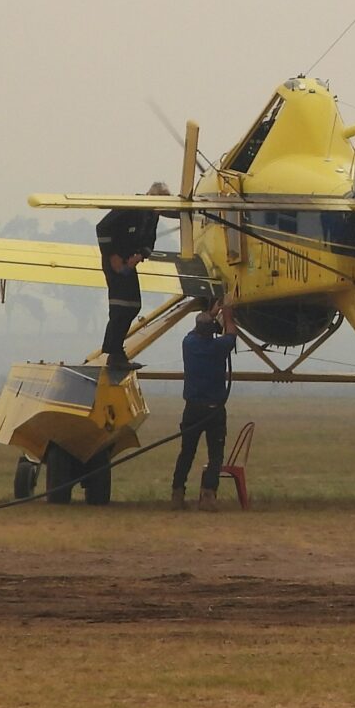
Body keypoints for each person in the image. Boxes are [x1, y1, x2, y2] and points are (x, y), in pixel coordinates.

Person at [95, 182, 172, 373]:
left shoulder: (152, 215)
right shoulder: (130, 207)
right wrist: (112, 256)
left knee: (132, 305)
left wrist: (138, 256)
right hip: (115, 261)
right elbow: (103, 227)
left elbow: (149, 241)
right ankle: (114, 353)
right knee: (120, 306)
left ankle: (115, 351)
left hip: (129, 262)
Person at [173, 299, 238, 509]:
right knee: (215, 455)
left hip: (192, 409)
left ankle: (177, 493)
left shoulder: (188, 344)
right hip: (214, 410)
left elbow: (197, 331)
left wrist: (210, 313)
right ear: (212, 331)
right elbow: (231, 334)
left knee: (186, 453)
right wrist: (227, 314)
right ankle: (208, 496)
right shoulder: (219, 347)